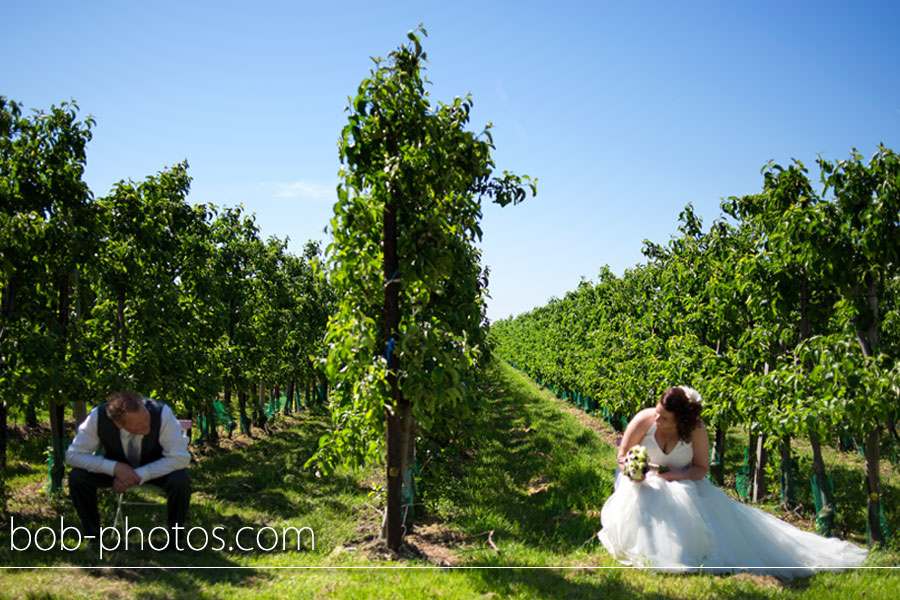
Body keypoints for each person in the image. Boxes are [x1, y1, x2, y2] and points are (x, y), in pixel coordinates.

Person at [597, 386, 868, 578]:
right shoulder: (645, 420)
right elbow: (622, 454)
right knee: (649, 492)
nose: (657, 418)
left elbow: (701, 468)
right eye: (657, 412)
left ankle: (685, 553)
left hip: (684, 480)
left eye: (664, 417)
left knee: (679, 495)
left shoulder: (696, 430)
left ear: (681, 419)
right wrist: (633, 470)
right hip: (643, 479)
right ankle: (650, 550)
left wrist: (678, 476)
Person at [66, 390, 191, 548]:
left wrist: (138, 475)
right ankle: (94, 538)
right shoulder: (97, 417)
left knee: (180, 480)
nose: (147, 424)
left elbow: (180, 457)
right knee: (77, 477)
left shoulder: (161, 412)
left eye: (146, 417)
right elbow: (73, 455)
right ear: (119, 424)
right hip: (115, 468)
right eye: (138, 424)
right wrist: (115, 468)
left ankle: (176, 539)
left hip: (156, 468)